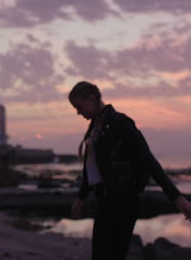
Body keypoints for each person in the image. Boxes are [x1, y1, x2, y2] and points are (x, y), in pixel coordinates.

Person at [69, 81, 191, 260]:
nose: (78, 112)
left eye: (79, 106)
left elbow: (148, 160)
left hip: (123, 201)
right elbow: (92, 169)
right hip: (104, 201)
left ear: (92, 98)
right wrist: (81, 198)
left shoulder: (120, 123)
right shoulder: (96, 128)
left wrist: (176, 197)